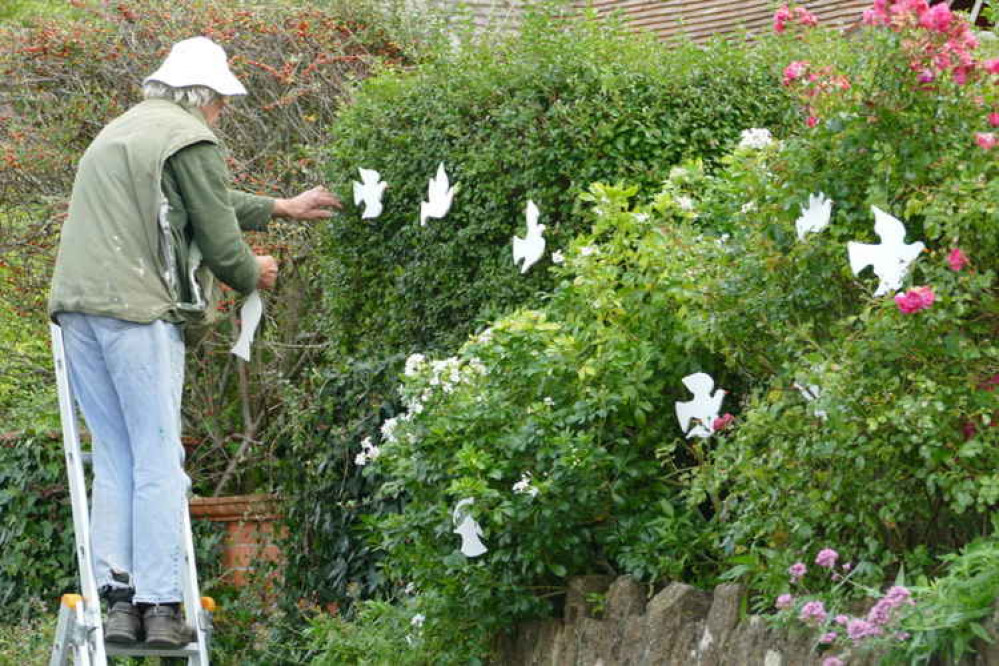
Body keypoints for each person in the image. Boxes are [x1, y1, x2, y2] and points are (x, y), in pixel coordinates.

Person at [47, 36, 340, 648]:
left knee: (117, 456)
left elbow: (201, 199)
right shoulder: (191, 138)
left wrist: (280, 207)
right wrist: (251, 273)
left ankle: (117, 596)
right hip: (137, 310)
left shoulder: (120, 132)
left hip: (76, 310)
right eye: (223, 103)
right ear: (205, 98)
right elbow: (219, 237)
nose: (222, 113)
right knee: (158, 458)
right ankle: (158, 604)